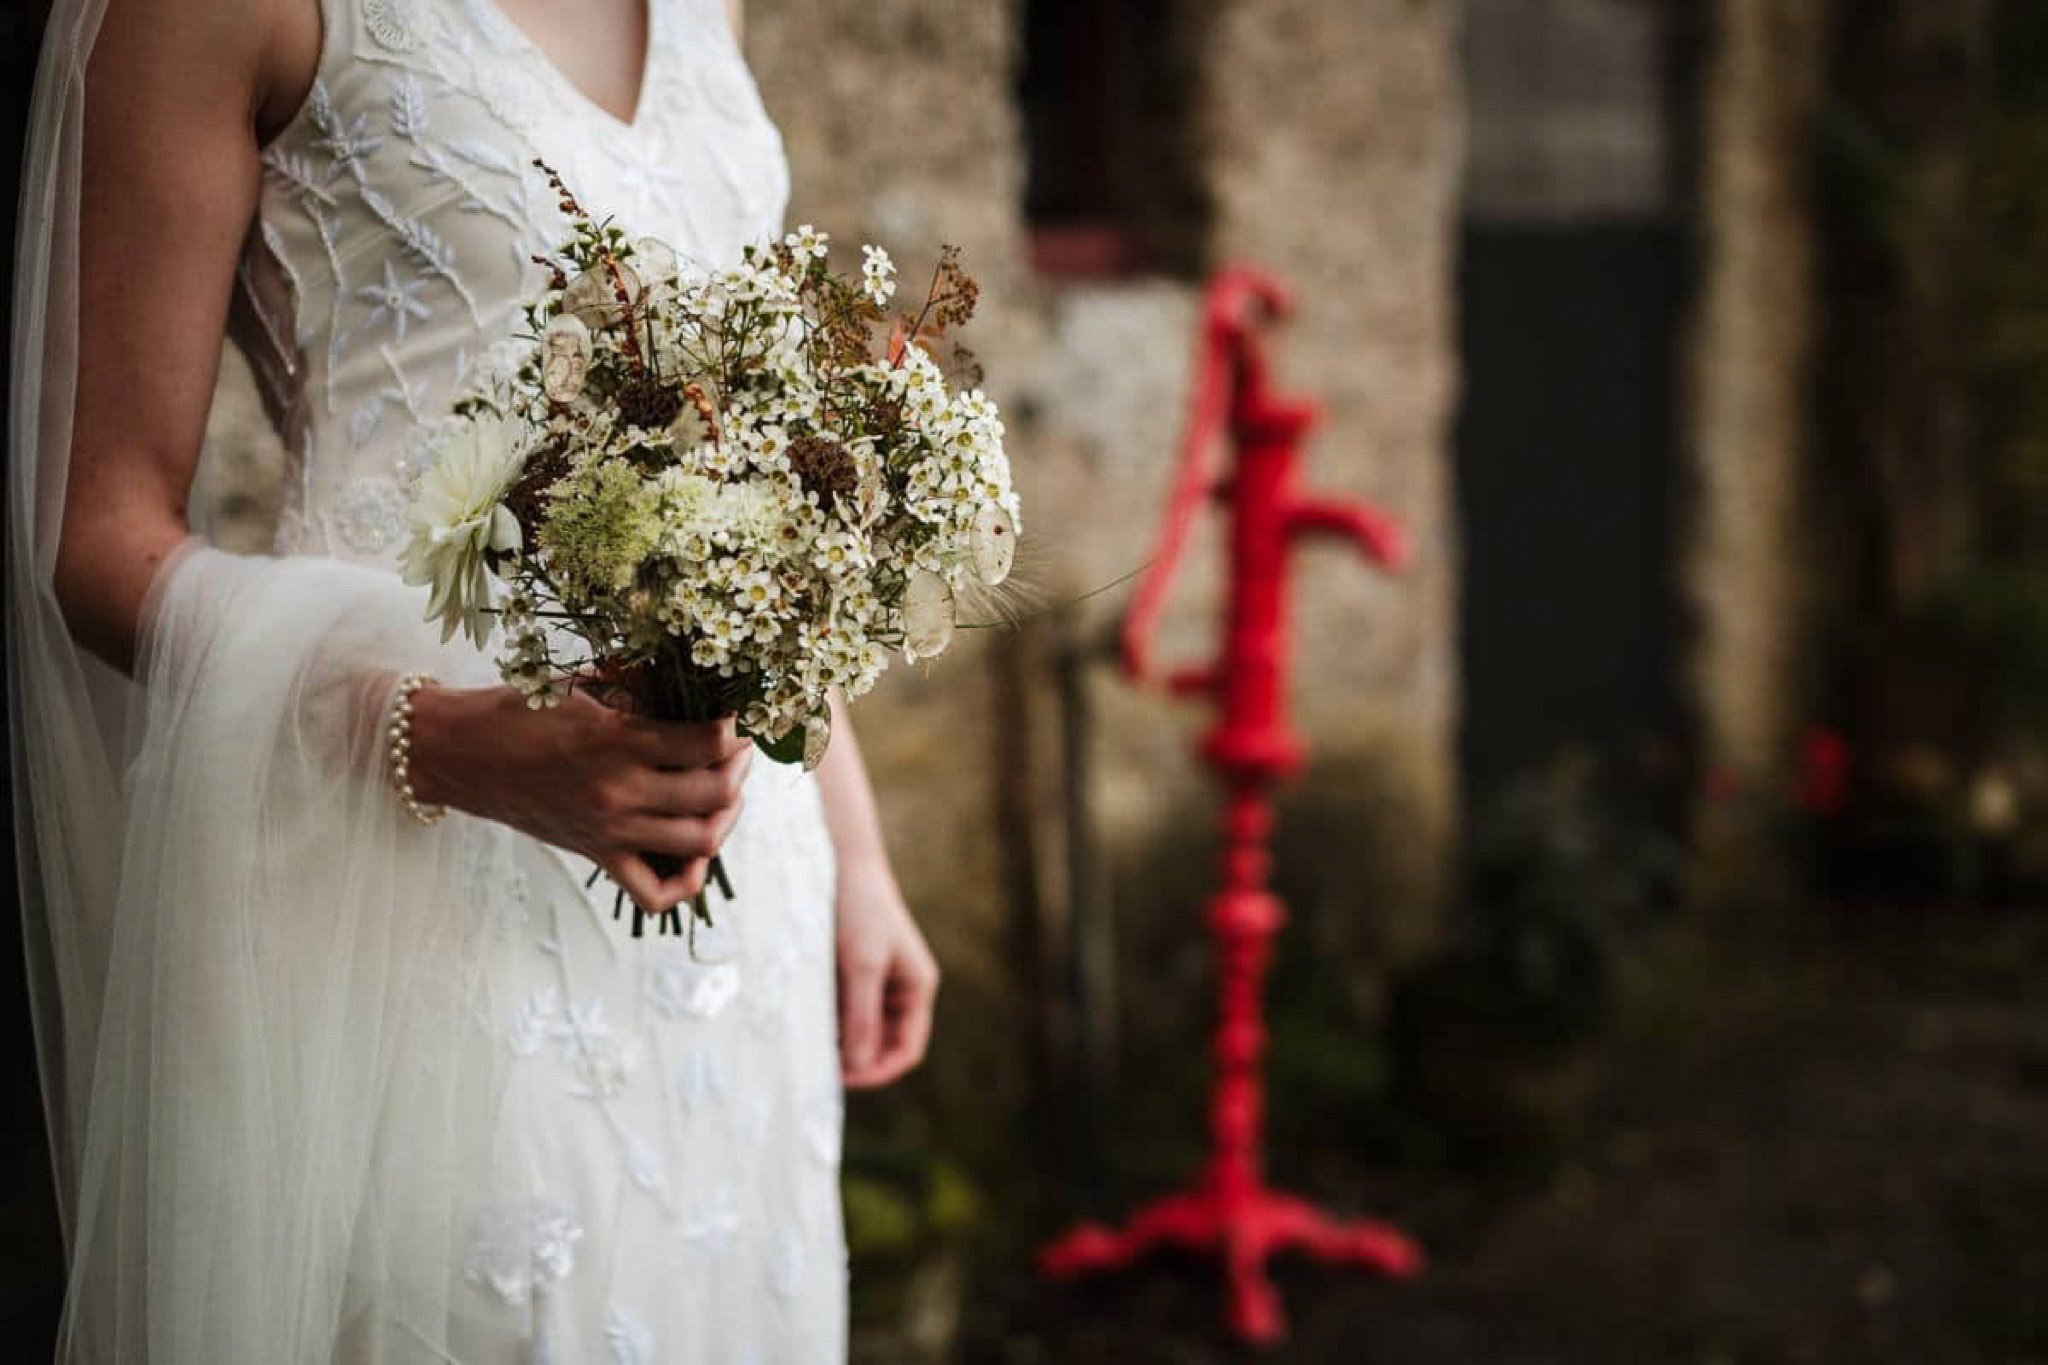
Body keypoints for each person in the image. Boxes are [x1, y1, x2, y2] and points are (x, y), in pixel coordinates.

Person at [8, 0, 939, 1357]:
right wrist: (442, 743)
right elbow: (92, 535)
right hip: (405, 882)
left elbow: (746, 472)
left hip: (744, 908)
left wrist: (855, 854)